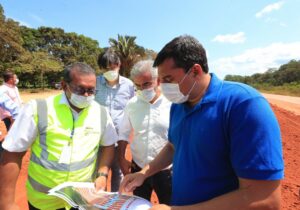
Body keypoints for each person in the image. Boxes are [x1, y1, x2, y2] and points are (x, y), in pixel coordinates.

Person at [119, 35, 284, 210]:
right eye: (161, 80)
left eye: (168, 79)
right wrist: (144, 173)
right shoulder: (179, 104)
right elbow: (173, 146)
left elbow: (266, 200)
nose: (163, 87)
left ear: (195, 71)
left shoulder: (243, 105)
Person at [0, 62, 118, 210]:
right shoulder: (38, 109)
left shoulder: (101, 113)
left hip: (82, 199)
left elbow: (108, 144)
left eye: (91, 90)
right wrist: (6, 203)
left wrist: (102, 174)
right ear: (64, 85)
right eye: (80, 89)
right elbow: (12, 153)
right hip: (44, 201)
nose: (86, 95)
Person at [118, 60, 172, 204]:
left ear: (158, 80)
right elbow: (123, 133)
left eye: (147, 84)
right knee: (139, 205)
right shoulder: (132, 105)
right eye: (138, 85)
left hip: (166, 171)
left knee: (169, 205)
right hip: (138, 167)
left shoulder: (173, 104)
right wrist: (122, 158)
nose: (142, 89)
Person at [95, 49, 135, 192]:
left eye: (112, 67)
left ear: (118, 65)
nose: (109, 71)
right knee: (99, 173)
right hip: (99, 139)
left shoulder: (128, 85)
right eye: (105, 68)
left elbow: (132, 108)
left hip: (119, 139)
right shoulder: (95, 84)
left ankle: (114, 203)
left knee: (118, 173)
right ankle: (100, 203)